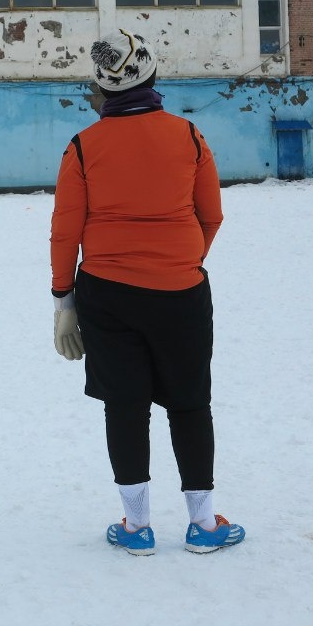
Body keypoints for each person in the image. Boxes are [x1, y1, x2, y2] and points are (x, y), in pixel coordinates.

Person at [50, 28, 244, 556]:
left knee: (124, 407)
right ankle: (203, 525)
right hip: (181, 292)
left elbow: (66, 229)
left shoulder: (84, 146)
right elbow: (212, 215)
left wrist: (64, 301)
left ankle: (137, 528)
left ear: (102, 89)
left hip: (106, 295)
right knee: (189, 404)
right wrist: (182, 259)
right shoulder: (189, 136)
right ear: (154, 76)